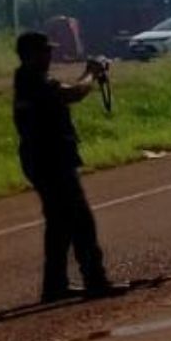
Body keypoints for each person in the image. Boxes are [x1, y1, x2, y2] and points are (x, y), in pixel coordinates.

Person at [13, 31, 126, 303]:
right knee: (80, 220)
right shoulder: (34, 82)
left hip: (40, 158)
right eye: (45, 51)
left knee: (59, 222)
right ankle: (95, 280)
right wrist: (91, 73)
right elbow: (73, 93)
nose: (50, 55)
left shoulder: (26, 80)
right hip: (51, 159)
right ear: (31, 55)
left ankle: (55, 285)